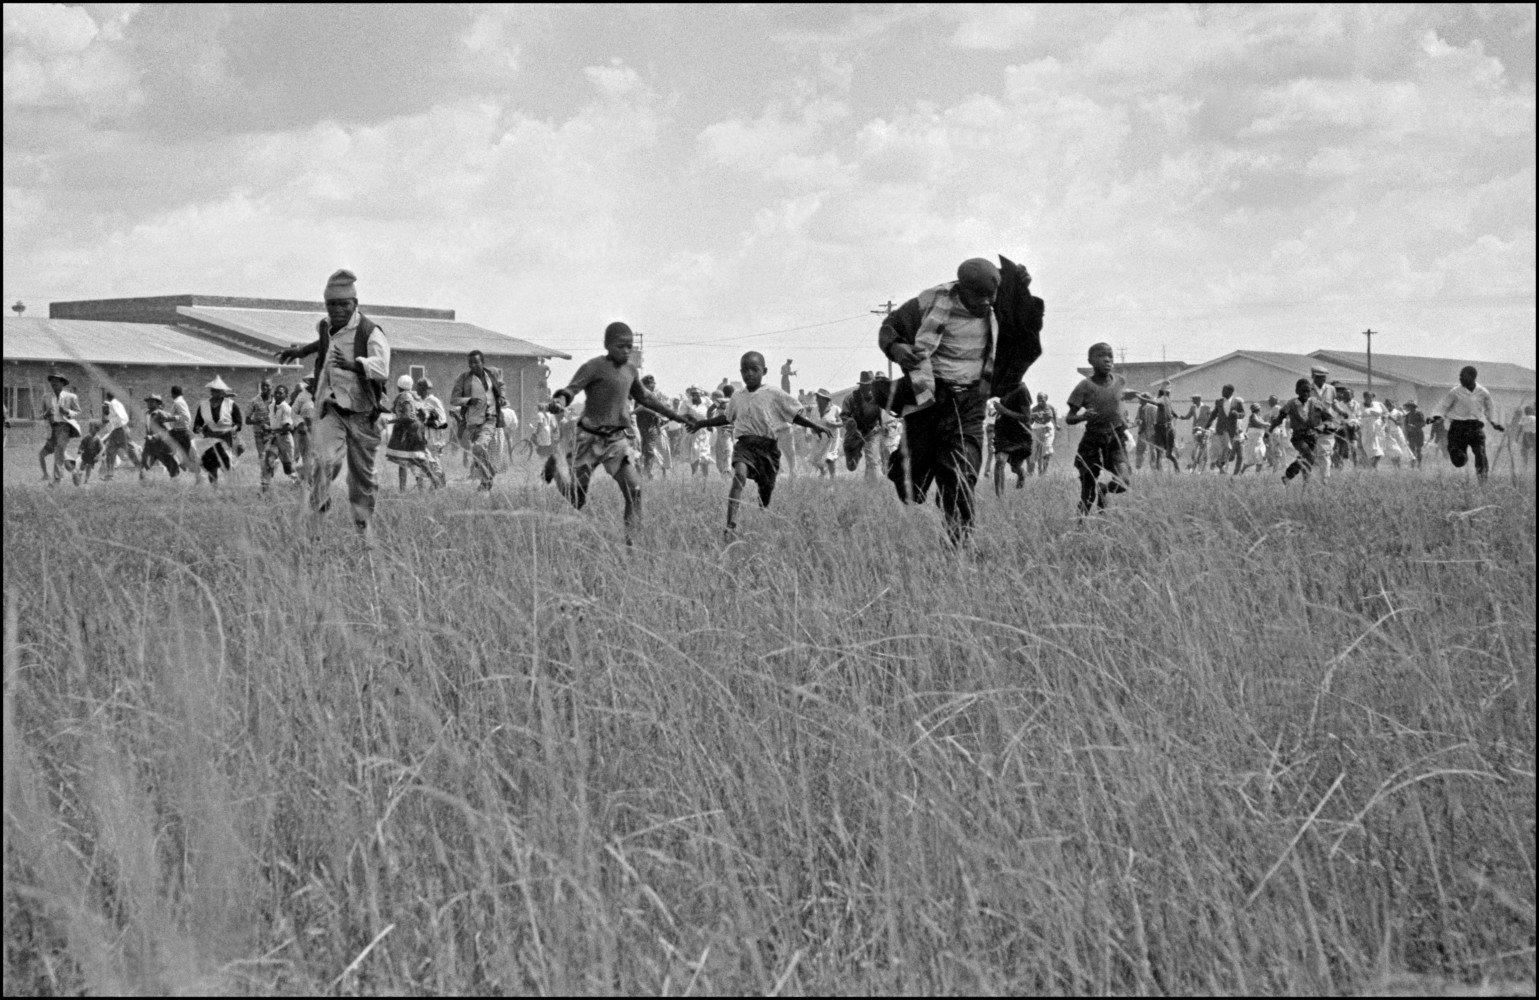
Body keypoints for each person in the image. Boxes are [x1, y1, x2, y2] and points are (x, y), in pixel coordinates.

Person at [878, 257, 1001, 543]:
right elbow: (889, 329)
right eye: (978, 296)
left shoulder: (1000, 310)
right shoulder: (931, 301)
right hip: (928, 400)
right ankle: (901, 467)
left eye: (991, 295)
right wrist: (897, 349)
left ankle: (958, 548)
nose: (986, 302)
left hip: (969, 403)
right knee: (911, 487)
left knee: (960, 475)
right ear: (962, 289)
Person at [548, 321, 692, 542]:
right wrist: (559, 401)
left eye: (629, 347)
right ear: (607, 345)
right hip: (589, 439)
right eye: (620, 346)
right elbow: (571, 390)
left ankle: (631, 544)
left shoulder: (631, 371)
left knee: (635, 491)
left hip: (616, 440)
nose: (626, 351)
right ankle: (555, 469)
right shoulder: (593, 366)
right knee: (577, 500)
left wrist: (676, 416)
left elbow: (646, 398)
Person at [275, 269, 390, 531]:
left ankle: (364, 531)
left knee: (361, 479)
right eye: (331, 304)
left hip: (363, 413)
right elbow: (324, 342)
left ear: (355, 303)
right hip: (333, 408)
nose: (337, 310)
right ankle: (317, 519)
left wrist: (352, 364)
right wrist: (300, 351)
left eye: (343, 304)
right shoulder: (326, 326)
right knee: (324, 462)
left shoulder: (370, 332)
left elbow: (382, 368)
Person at [693, 351, 829, 539]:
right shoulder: (737, 396)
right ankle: (730, 525)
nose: (749, 374)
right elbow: (727, 417)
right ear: (740, 372)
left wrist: (814, 425)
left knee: (766, 490)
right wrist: (702, 423)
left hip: (768, 448)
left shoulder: (774, 393)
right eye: (745, 370)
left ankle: (762, 513)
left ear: (764, 371)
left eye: (754, 369)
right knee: (739, 476)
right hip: (745, 445)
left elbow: (793, 415)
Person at [1066, 342, 1148, 515]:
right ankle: (1080, 525)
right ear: (1090, 361)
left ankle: (1104, 489)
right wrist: (1083, 416)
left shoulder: (1120, 381)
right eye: (1101, 356)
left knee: (1123, 481)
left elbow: (1116, 398)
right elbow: (1069, 418)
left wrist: (1127, 395)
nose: (1107, 360)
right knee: (1087, 494)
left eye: (1110, 356)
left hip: (1115, 440)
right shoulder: (1084, 386)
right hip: (1092, 442)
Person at [450, 350, 510, 492]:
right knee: (478, 454)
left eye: (476, 362)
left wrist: (501, 397)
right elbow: (454, 399)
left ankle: (487, 479)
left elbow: (501, 385)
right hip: (472, 422)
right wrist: (468, 400)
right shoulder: (464, 378)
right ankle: (486, 481)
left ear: (483, 362)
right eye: (470, 363)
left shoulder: (492, 374)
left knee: (479, 448)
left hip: (490, 419)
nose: (473, 365)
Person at [1431, 365, 1505, 480]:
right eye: (1460, 376)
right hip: (1457, 428)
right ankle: (1461, 457)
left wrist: (1493, 422)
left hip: (1474, 427)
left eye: (1463, 376)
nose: (1460, 379)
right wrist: (1437, 416)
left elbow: (1489, 408)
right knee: (1458, 461)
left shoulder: (1483, 392)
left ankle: (1482, 479)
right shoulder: (1455, 392)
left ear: (1472, 377)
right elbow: (1443, 406)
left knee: (1480, 452)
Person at [386, 375, 444, 491]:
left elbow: (407, 416)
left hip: (409, 429)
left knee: (414, 459)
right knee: (410, 459)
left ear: (398, 386)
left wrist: (391, 421)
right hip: (413, 428)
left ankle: (434, 481)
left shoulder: (404, 397)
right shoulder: (413, 396)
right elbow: (420, 412)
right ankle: (430, 482)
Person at [1268, 378, 1329, 484]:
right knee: (1308, 455)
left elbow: (1328, 417)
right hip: (1298, 437)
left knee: (1306, 460)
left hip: (1312, 436)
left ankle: (1293, 480)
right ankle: (1290, 475)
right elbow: (1279, 419)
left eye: (1308, 391)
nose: (1306, 393)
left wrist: (1326, 426)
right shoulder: (1291, 404)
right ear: (1297, 391)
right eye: (1303, 391)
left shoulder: (1315, 403)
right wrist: (1269, 431)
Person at [192, 376, 244, 486]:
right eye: (213, 390)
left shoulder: (231, 404)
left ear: (222, 392)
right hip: (210, 439)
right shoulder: (204, 405)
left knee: (226, 464)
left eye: (217, 390)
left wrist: (234, 428)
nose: (214, 392)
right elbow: (197, 423)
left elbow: (239, 423)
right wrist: (198, 428)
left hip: (226, 438)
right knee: (210, 463)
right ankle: (214, 487)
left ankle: (231, 487)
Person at [990, 378, 1034, 494]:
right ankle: (999, 498)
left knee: (1015, 467)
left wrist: (1004, 410)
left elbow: (1027, 417)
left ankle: (1021, 474)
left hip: (1020, 433)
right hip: (1003, 431)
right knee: (1000, 461)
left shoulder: (1022, 389)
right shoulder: (1004, 387)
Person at [37, 372, 81, 485]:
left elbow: (78, 412)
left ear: (63, 383)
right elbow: (41, 415)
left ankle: (56, 481)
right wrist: (46, 414)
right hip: (52, 429)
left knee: (58, 452)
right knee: (59, 453)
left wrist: (67, 412)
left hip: (64, 428)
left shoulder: (71, 397)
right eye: (52, 381)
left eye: (56, 381)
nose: (53, 383)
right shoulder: (46, 397)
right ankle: (74, 471)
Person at [841, 372, 887, 480]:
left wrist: (883, 427)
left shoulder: (878, 397)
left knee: (873, 460)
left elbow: (881, 414)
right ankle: (855, 455)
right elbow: (844, 416)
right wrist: (850, 424)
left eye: (871, 385)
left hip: (872, 432)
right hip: (854, 432)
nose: (869, 388)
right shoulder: (851, 398)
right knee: (851, 466)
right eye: (866, 385)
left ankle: (872, 485)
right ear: (861, 386)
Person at [260, 383, 298, 492]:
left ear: (286, 395)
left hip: (285, 439)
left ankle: (298, 484)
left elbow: (288, 427)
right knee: (268, 461)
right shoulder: (271, 406)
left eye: (280, 393)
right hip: (274, 438)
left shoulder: (286, 408)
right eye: (276, 392)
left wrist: (270, 429)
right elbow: (273, 421)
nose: (277, 395)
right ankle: (264, 491)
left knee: (289, 469)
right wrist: (267, 426)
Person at [634, 375, 671, 480]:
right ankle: (640, 473)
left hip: (652, 426)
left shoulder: (654, 396)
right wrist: (655, 413)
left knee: (650, 450)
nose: (653, 386)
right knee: (640, 450)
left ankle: (647, 473)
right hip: (641, 426)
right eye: (651, 385)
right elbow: (640, 408)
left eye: (653, 384)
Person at [138, 392, 182, 480]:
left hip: (162, 445)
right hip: (150, 445)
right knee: (144, 465)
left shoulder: (160, 414)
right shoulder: (147, 414)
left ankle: (175, 483)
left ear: (158, 404)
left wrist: (154, 436)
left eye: (152, 401)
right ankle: (143, 483)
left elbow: (167, 430)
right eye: (148, 401)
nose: (149, 403)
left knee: (172, 467)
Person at [1204, 385, 1246, 475]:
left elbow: (1243, 414)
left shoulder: (1237, 402)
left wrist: (1238, 414)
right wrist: (1208, 423)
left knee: (1228, 449)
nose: (1222, 392)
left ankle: (1220, 464)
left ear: (1230, 392)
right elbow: (1214, 413)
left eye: (1224, 390)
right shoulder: (1219, 401)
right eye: (1222, 390)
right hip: (1220, 428)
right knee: (1220, 448)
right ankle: (1219, 466)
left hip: (1231, 430)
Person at [414, 379, 449, 485]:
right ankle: (421, 490)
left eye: (418, 387)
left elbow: (443, 420)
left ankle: (440, 483)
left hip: (433, 437)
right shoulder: (418, 401)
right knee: (420, 462)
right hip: (421, 436)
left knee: (433, 462)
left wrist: (428, 420)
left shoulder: (434, 401)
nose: (416, 389)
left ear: (424, 389)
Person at [98, 389, 138, 480]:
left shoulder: (114, 404)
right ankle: (110, 475)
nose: (104, 409)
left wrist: (119, 426)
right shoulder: (112, 406)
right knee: (110, 452)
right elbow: (112, 420)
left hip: (121, 430)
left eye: (105, 407)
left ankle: (140, 468)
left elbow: (123, 418)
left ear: (108, 397)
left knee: (129, 450)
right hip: (116, 431)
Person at [681, 387, 713, 476]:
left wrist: (710, 422)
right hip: (692, 430)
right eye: (693, 395)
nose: (695, 396)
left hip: (704, 431)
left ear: (700, 395)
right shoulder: (686, 403)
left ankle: (705, 475)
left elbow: (713, 410)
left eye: (697, 394)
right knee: (694, 451)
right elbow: (682, 415)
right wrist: (690, 418)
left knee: (704, 453)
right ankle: (694, 473)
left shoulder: (706, 401)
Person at [811, 389, 842, 477]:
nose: (817, 400)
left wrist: (833, 424)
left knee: (830, 458)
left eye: (819, 398)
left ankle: (833, 478)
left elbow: (843, 422)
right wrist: (813, 429)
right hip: (819, 438)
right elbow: (812, 424)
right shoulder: (814, 410)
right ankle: (823, 472)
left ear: (826, 399)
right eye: (817, 397)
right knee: (817, 459)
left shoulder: (835, 409)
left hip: (832, 438)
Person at [247, 379, 274, 479]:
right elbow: (247, 420)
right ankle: (264, 479)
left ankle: (269, 471)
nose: (265, 388)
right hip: (259, 433)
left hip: (273, 433)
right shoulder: (254, 401)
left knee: (271, 458)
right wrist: (256, 421)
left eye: (267, 385)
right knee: (262, 456)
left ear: (272, 386)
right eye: (263, 386)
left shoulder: (276, 400)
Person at [290, 376, 316, 478]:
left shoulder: (324, 393)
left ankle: (306, 475)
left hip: (322, 429)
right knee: (307, 456)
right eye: (313, 381)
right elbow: (293, 411)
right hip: (306, 429)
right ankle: (307, 479)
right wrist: (300, 423)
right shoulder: (303, 395)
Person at [1028, 392, 1059, 476]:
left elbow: (1054, 414)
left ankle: (1044, 471)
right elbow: (1031, 421)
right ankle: (1039, 470)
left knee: (1047, 449)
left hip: (1048, 429)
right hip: (1037, 429)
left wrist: (1056, 424)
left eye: (1041, 398)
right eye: (1038, 398)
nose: (1039, 400)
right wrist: (1028, 426)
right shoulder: (1034, 409)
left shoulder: (1050, 407)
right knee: (1038, 450)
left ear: (1046, 399)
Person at [1179, 394, 1211, 473]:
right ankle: (1195, 464)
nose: (1192, 401)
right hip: (1195, 430)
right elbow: (1189, 416)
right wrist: (1182, 417)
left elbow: (1210, 419)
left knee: (1202, 447)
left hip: (1203, 430)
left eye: (1193, 399)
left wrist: (1206, 428)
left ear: (1198, 400)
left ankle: (1201, 464)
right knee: (1196, 447)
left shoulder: (1206, 407)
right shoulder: (1193, 407)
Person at [72, 421, 103, 486]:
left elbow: (101, 448)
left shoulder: (98, 439)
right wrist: (80, 450)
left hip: (92, 457)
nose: (96, 430)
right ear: (90, 429)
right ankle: (79, 478)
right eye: (95, 428)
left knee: (89, 468)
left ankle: (86, 480)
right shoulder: (87, 438)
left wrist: (98, 455)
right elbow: (82, 445)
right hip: (85, 455)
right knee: (82, 466)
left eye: (97, 429)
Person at [1403, 400, 1426, 468]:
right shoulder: (1407, 415)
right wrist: (1407, 431)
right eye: (1408, 406)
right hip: (1410, 434)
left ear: (1413, 407)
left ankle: (1419, 464)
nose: (1408, 408)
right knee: (1411, 450)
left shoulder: (1419, 413)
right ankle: (1412, 464)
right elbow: (1405, 425)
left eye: (1410, 406)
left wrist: (1415, 425)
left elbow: (1423, 423)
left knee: (1418, 449)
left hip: (1418, 433)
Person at [1518, 403, 1536, 472]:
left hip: (1526, 435)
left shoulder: (1524, 418)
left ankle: (1525, 465)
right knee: (1534, 450)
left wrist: (1517, 436)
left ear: (1525, 412)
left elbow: (1520, 428)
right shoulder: (1534, 418)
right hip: (1534, 435)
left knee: (1525, 450)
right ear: (1532, 411)